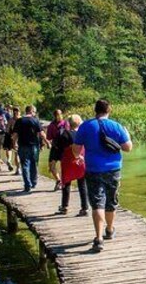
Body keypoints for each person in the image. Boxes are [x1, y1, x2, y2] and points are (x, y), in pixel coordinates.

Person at [72, 99, 132, 252]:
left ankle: (98, 238)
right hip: (113, 170)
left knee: (97, 203)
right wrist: (128, 135)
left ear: (95, 110)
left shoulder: (85, 126)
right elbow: (127, 148)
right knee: (111, 201)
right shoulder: (116, 126)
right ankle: (110, 230)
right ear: (108, 110)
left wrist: (81, 153)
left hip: (93, 169)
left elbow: (76, 150)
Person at [55, 114, 88, 216]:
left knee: (66, 184)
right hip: (81, 161)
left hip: (68, 162)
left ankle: (64, 207)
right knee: (82, 185)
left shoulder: (64, 134)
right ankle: (84, 208)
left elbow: (58, 148)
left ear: (69, 123)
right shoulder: (83, 134)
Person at [12, 105, 47, 192]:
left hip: (22, 146)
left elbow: (15, 135)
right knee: (34, 164)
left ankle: (27, 185)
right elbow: (42, 134)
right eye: (34, 112)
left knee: (25, 165)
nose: (35, 113)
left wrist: (14, 144)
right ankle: (34, 182)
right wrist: (47, 142)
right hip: (34, 146)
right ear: (31, 111)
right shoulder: (35, 120)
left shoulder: (19, 121)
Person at [46, 109, 70, 191]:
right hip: (55, 147)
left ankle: (64, 182)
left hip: (64, 148)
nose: (59, 116)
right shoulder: (51, 125)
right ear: (55, 116)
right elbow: (48, 137)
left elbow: (69, 134)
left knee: (65, 166)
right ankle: (58, 180)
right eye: (57, 115)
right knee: (51, 166)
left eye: (60, 114)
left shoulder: (66, 123)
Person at [5, 106, 21, 175]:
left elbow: (7, 130)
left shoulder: (11, 120)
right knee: (18, 154)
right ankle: (18, 169)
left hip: (13, 137)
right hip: (21, 138)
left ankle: (10, 161)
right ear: (19, 112)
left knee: (12, 152)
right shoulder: (22, 119)